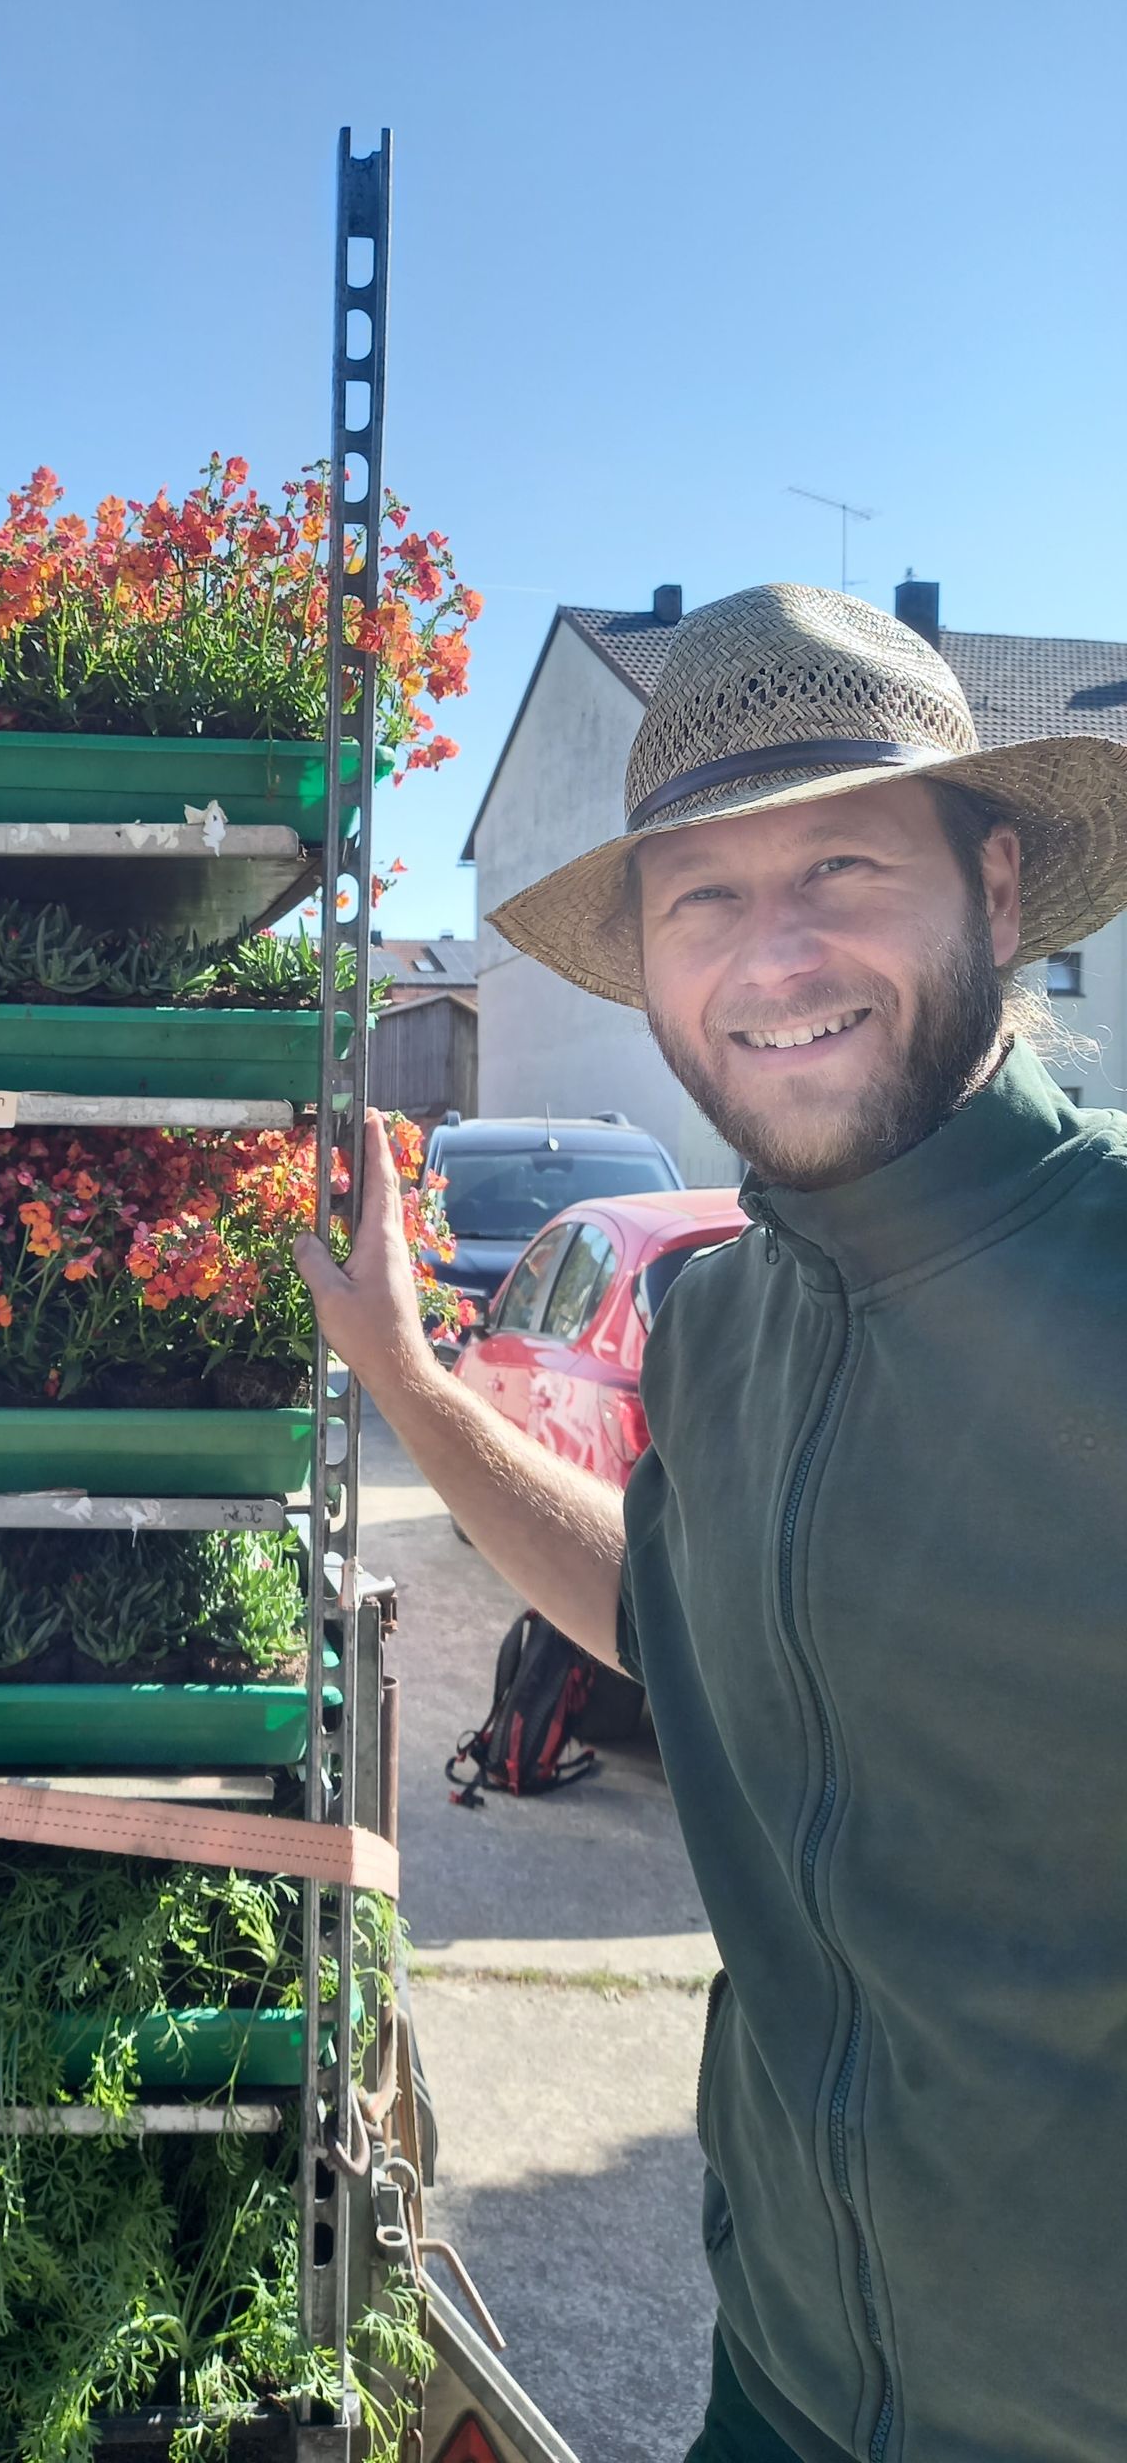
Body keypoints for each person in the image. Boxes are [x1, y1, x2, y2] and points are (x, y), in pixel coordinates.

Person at [296, 584, 1127, 2463]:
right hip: (780, 2385)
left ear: (997, 892)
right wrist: (409, 1380)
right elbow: (666, 1615)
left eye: (845, 866)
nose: (778, 953)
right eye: (706, 899)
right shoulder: (723, 1324)